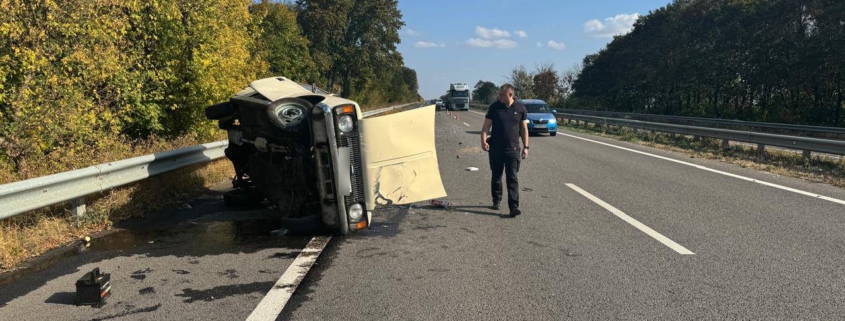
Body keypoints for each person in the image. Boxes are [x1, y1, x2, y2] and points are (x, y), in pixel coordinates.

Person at [480, 84, 529, 217]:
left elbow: (524, 129)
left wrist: (526, 147)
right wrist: (483, 140)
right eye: (499, 94)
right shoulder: (494, 107)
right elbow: (486, 127)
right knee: (496, 176)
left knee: (512, 178)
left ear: (510, 95)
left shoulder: (520, 108)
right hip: (496, 149)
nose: (499, 96)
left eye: (502, 94)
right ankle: (496, 200)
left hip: (512, 149)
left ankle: (513, 207)